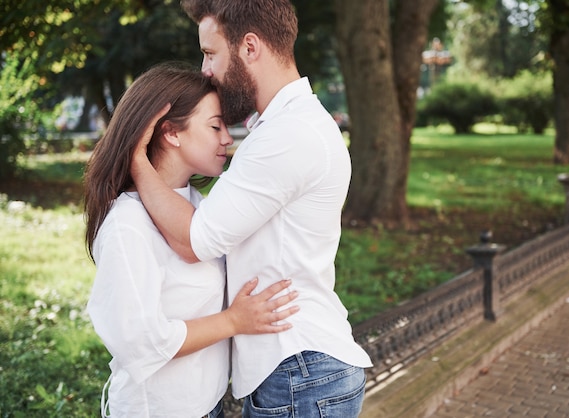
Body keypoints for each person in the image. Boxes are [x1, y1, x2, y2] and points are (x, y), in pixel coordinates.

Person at [130, 1, 373, 417]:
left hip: (299, 369)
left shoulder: (288, 134)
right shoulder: (291, 125)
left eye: (210, 53)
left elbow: (196, 240)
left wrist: (134, 160)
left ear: (250, 47)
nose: (205, 69)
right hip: (302, 369)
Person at [84, 62, 299, 418]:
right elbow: (141, 341)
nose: (227, 138)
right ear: (171, 132)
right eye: (215, 126)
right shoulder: (128, 223)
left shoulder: (200, 212)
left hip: (208, 405)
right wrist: (233, 321)